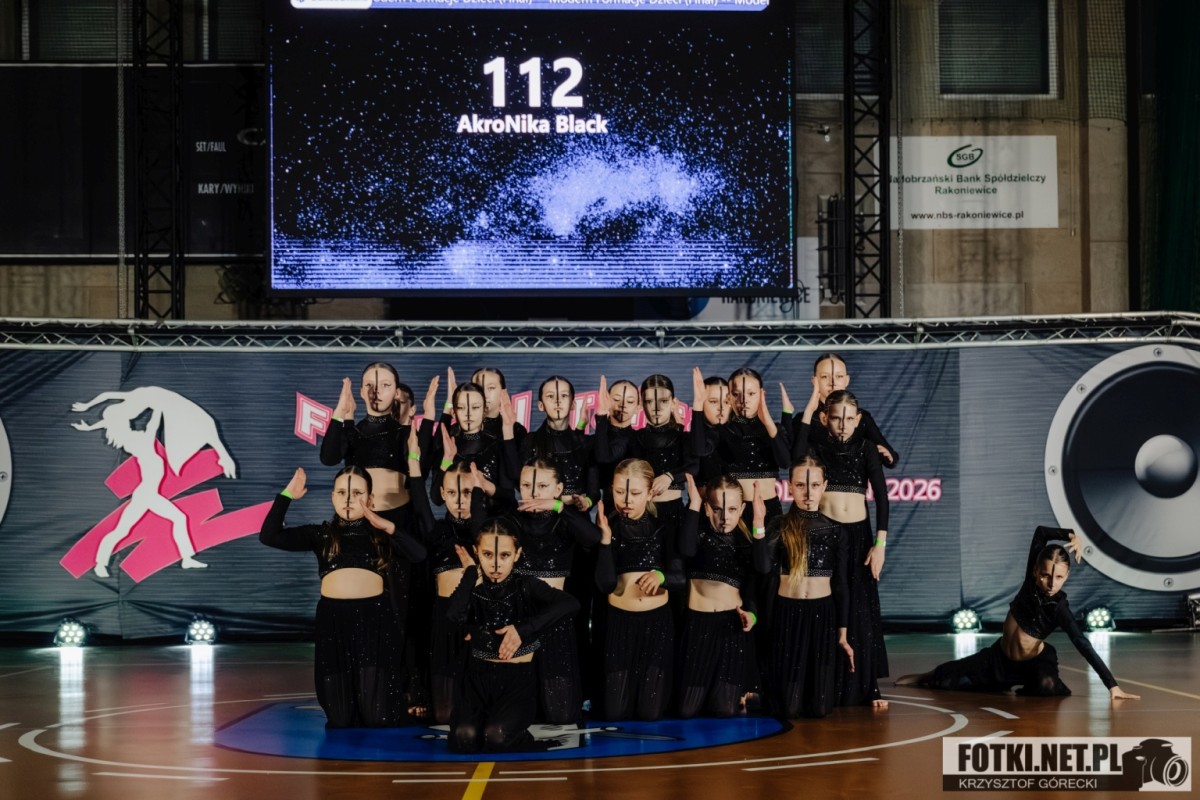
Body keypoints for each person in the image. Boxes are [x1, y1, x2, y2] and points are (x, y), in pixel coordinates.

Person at [258, 466, 427, 727]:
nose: (348, 499)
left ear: (371, 498)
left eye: (357, 493)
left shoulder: (381, 534)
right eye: (341, 493)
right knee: (340, 719)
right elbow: (269, 536)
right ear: (332, 497)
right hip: (333, 623)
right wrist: (287, 495)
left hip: (372, 623)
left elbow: (419, 554)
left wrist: (388, 526)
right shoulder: (321, 534)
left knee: (376, 716)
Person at [895, 527, 1140, 701]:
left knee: (1047, 686)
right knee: (947, 680)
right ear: (1035, 571)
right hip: (999, 658)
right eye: (1045, 575)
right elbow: (1041, 533)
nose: (1051, 583)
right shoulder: (1030, 583)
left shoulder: (1059, 608)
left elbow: (1082, 643)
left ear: (1066, 576)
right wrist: (1070, 535)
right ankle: (928, 676)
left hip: (1034, 663)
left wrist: (1112, 685)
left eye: (1058, 577)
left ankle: (1023, 684)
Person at [446, 518, 580, 753]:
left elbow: (570, 604)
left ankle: (515, 733)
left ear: (517, 554)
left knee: (496, 735)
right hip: (477, 680)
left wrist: (522, 629)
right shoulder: (473, 589)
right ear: (476, 552)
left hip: (517, 681)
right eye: (488, 555)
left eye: (505, 555)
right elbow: (453, 617)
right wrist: (470, 573)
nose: (496, 564)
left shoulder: (526, 585)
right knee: (464, 737)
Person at [793, 383, 890, 709]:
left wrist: (880, 544)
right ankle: (821, 682)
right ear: (825, 419)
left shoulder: (866, 448)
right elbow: (795, 456)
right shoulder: (816, 446)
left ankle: (866, 686)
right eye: (836, 418)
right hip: (824, 534)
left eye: (849, 419)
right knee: (828, 603)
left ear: (858, 419)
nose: (843, 425)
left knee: (861, 607)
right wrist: (808, 410)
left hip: (860, 536)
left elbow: (882, 498)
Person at [755, 457, 853, 718]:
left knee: (820, 708)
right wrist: (759, 524)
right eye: (800, 485)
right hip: (788, 613)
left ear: (824, 486)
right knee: (789, 708)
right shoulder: (780, 525)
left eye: (815, 485)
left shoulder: (836, 531)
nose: (808, 493)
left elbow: (841, 584)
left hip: (822, 614)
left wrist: (843, 633)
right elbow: (763, 568)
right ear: (790, 486)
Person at [407, 427, 489, 724]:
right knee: (444, 714)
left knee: (479, 703)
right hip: (444, 615)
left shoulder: (486, 530)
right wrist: (413, 459)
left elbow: (478, 523)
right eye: (452, 493)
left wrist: (477, 489)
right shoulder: (437, 531)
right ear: (442, 494)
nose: (459, 500)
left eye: (466, 493)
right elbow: (419, 504)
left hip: (478, 612)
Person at [512, 457, 601, 724]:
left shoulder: (565, 522)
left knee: (560, 714)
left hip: (555, 621)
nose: (533, 493)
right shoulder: (511, 520)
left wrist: (558, 506)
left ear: (558, 489)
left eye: (542, 486)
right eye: (526, 485)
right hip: (520, 618)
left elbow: (592, 538)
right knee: (520, 713)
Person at [594, 459, 684, 721]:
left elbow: (680, 578)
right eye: (619, 492)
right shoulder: (608, 528)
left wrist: (661, 575)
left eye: (634, 493)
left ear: (649, 493)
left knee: (649, 712)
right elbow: (605, 584)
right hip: (619, 625)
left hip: (656, 626)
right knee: (614, 712)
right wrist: (605, 541)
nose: (626, 501)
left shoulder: (664, 529)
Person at [676, 474, 764, 718]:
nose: (725, 517)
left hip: (730, 628)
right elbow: (686, 550)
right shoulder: (696, 535)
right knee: (686, 709)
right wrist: (694, 505)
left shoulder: (746, 543)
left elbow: (762, 570)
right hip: (698, 627)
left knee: (724, 709)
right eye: (717, 509)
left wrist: (758, 522)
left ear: (742, 509)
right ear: (707, 509)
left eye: (733, 509)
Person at [319, 363, 416, 529]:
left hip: (400, 522)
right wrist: (340, 411)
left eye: (385, 385)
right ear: (362, 392)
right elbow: (328, 458)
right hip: (358, 523)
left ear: (396, 392)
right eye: (369, 385)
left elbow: (421, 475)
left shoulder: (406, 433)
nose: (376, 392)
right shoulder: (353, 432)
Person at [787, 353, 899, 468]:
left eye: (839, 376)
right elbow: (793, 460)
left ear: (847, 380)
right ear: (814, 380)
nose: (832, 383)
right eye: (825, 377)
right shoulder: (803, 419)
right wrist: (808, 414)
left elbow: (891, 457)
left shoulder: (862, 418)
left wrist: (888, 457)